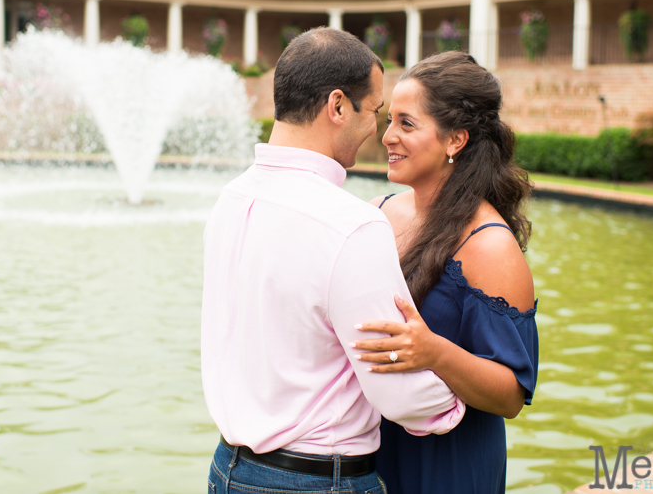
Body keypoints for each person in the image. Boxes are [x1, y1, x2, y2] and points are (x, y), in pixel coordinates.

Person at [201, 28, 466, 493]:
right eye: (375, 112)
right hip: (315, 480)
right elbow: (397, 390)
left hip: (227, 470)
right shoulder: (351, 224)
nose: (378, 133)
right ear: (338, 106)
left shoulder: (229, 199)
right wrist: (462, 398)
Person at [351, 51, 539, 494]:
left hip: (449, 468)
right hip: (372, 452)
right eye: (389, 119)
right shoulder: (378, 213)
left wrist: (434, 352)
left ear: (456, 140)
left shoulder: (490, 246)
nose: (388, 137)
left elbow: (511, 394)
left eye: (407, 124)